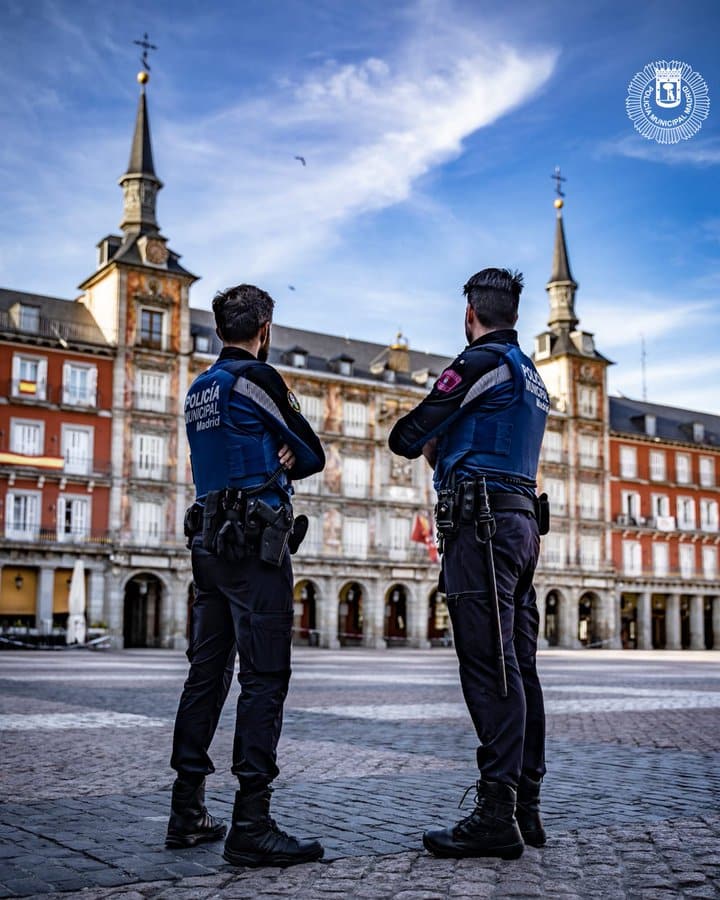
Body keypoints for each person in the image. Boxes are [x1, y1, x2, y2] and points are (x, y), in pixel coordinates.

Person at [388, 268, 549, 860]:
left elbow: (407, 436)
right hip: (521, 524)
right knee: (520, 667)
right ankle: (526, 805)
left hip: (479, 527)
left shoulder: (478, 364)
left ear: (470, 315)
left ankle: (494, 815)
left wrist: (436, 433)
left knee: (491, 667)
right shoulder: (531, 375)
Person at [166, 284, 326, 867]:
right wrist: (283, 449)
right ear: (265, 331)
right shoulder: (259, 379)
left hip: (207, 541)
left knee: (205, 675)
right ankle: (251, 823)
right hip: (255, 547)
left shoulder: (197, 389)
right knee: (264, 679)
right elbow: (311, 452)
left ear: (217, 331)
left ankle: (187, 810)